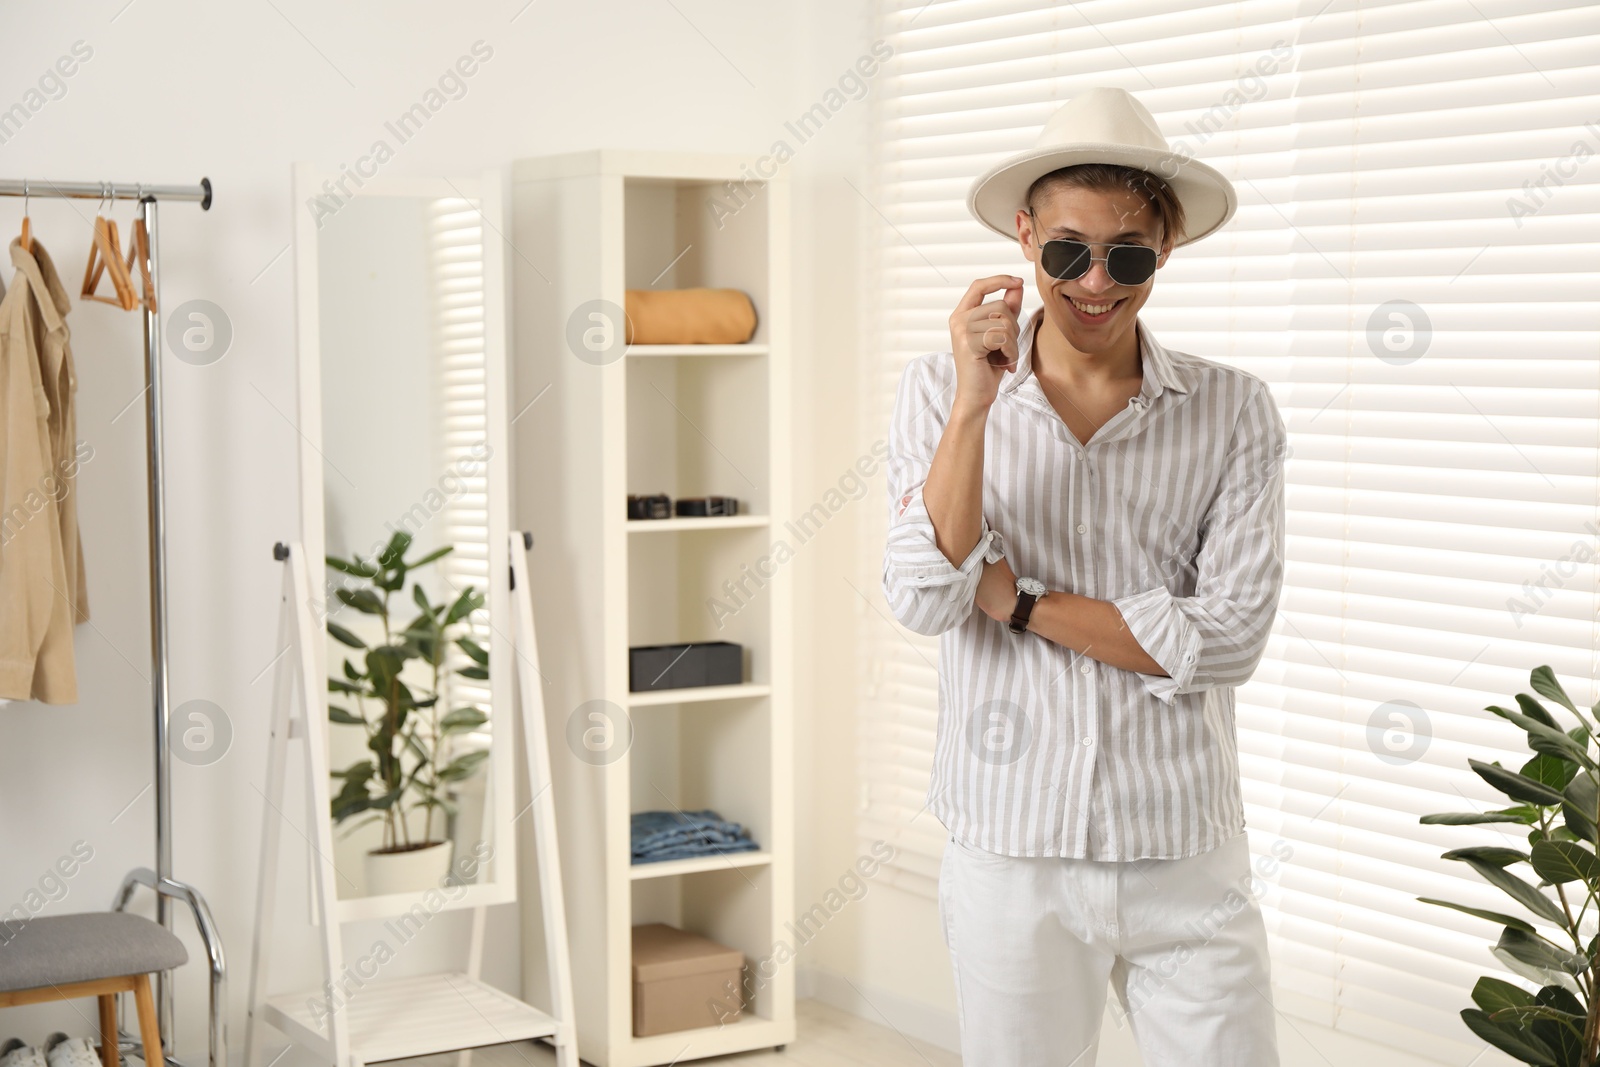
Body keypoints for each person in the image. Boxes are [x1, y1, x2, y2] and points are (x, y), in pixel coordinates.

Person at [882, 86, 1288, 1066]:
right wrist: (975, 408)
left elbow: (1228, 637)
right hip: (1013, 850)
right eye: (1066, 249)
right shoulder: (938, 389)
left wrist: (1019, 599)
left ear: (1167, 245)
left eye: (1128, 254)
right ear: (1024, 236)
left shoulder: (1232, 411)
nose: (1095, 281)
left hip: (1183, 846)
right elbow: (923, 596)